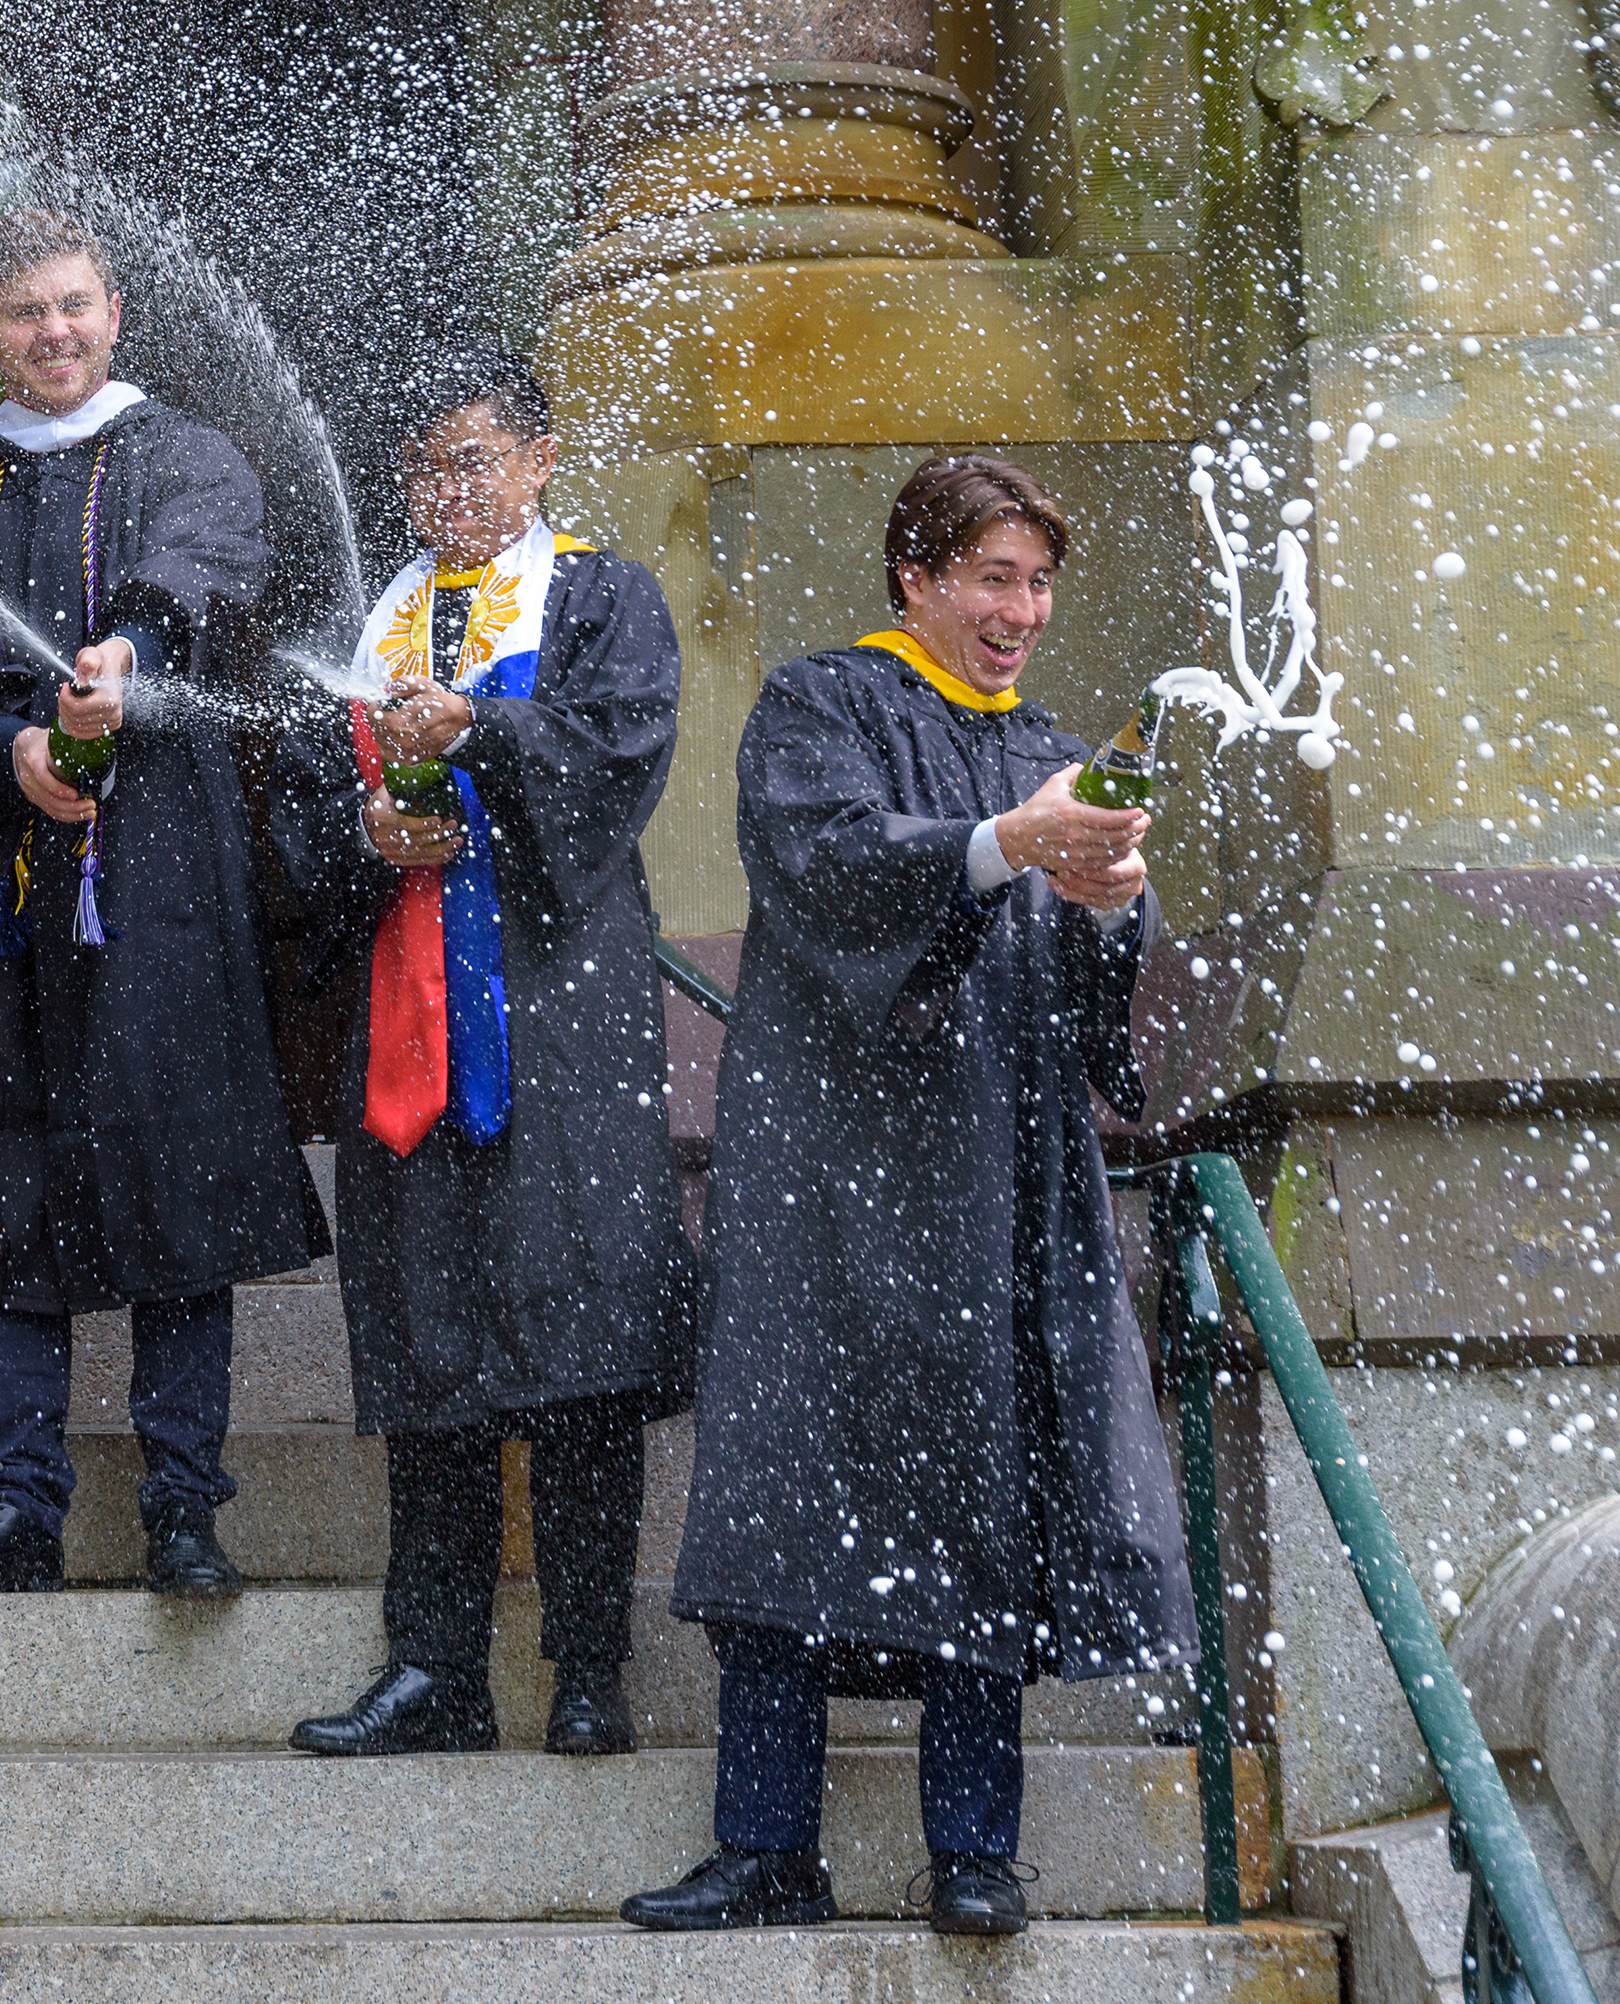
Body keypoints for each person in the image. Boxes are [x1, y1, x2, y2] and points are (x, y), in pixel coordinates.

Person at [622, 454, 1187, 1941]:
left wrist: (1113, 910)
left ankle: (975, 1852)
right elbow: (825, 873)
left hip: (997, 1188)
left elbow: (1083, 1020)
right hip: (830, 1182)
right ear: (916, 578)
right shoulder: (823, 708)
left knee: (985, 1490)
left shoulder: (1052, 746)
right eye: (993, 577)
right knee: (788, 1489)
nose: (1021, 610)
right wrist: (1012, 847)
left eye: (1039, 582)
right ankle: (766, 1847)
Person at [0, 209, 327, 1600]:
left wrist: (127, 650)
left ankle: (184, 1504)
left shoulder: (188, 456)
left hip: (165, 878)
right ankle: (18, 1501)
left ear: (116, 310)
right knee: (6, 1171)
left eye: (73, 306)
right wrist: (1, 751)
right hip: (1, 883)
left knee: (177, 1170)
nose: (53, 334)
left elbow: (200, 568)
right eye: (23, 314)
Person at [265, 347, 689, 1757]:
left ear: (541, 460)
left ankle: (586, 1667)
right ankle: (436, 1667)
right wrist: (364, 840)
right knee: (426, 1346)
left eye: (475, 459)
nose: (448, 490)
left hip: (557, 1029)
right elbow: (301, 833)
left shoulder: (599, 598)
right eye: (426, 465)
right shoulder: (371, 623)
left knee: (578, 1347)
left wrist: (485, 734)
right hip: (405, 1043)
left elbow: (621, 754)